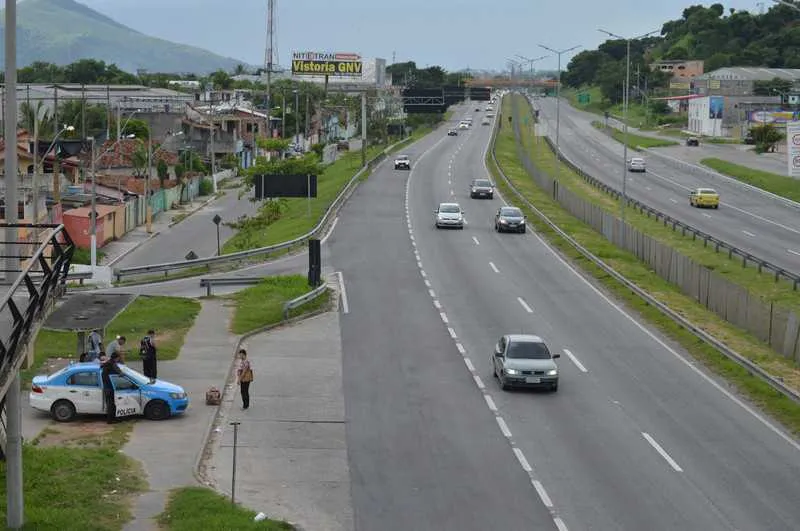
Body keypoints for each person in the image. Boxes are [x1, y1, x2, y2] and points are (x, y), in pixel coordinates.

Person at [101, 352, 123, 424]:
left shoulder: (107, 363)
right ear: (116, 358)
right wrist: (123, 373)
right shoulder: (113, 364)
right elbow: (120, 373)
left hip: (105, 386)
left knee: (109, 404)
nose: (119, 359)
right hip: (110, 387)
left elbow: (102, 366)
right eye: (118, 358)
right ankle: (110, 420)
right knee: (111, 404)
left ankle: (110, 419)